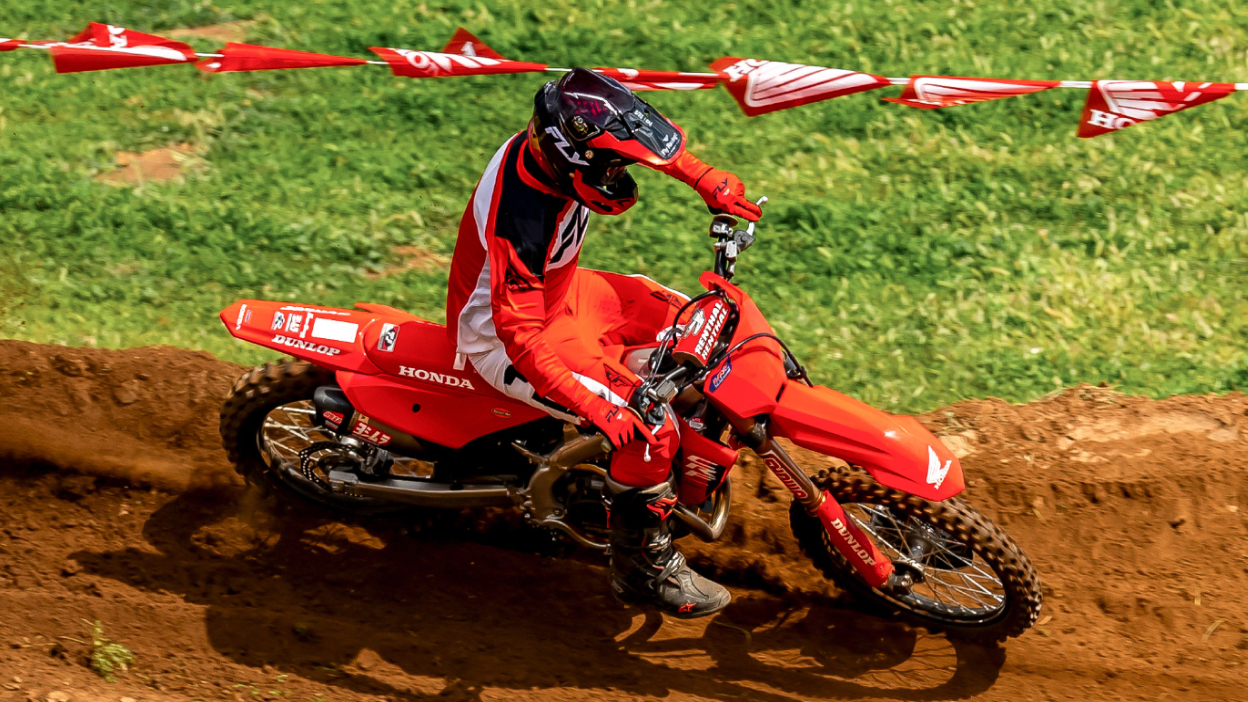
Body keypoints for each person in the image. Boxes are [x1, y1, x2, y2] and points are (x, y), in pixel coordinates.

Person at [445, 67, 761, 618]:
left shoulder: (557, 141)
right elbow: (519, 335)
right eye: (614, 167)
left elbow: (636, 131)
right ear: (573, 165)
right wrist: (597, 408)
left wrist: (702, 176)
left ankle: (663, 471)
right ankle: (641, 566)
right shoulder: (520, 217)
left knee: (696, 320)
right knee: (647, 429)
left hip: (562, 297)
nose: (622, 174)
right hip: (509, 338)